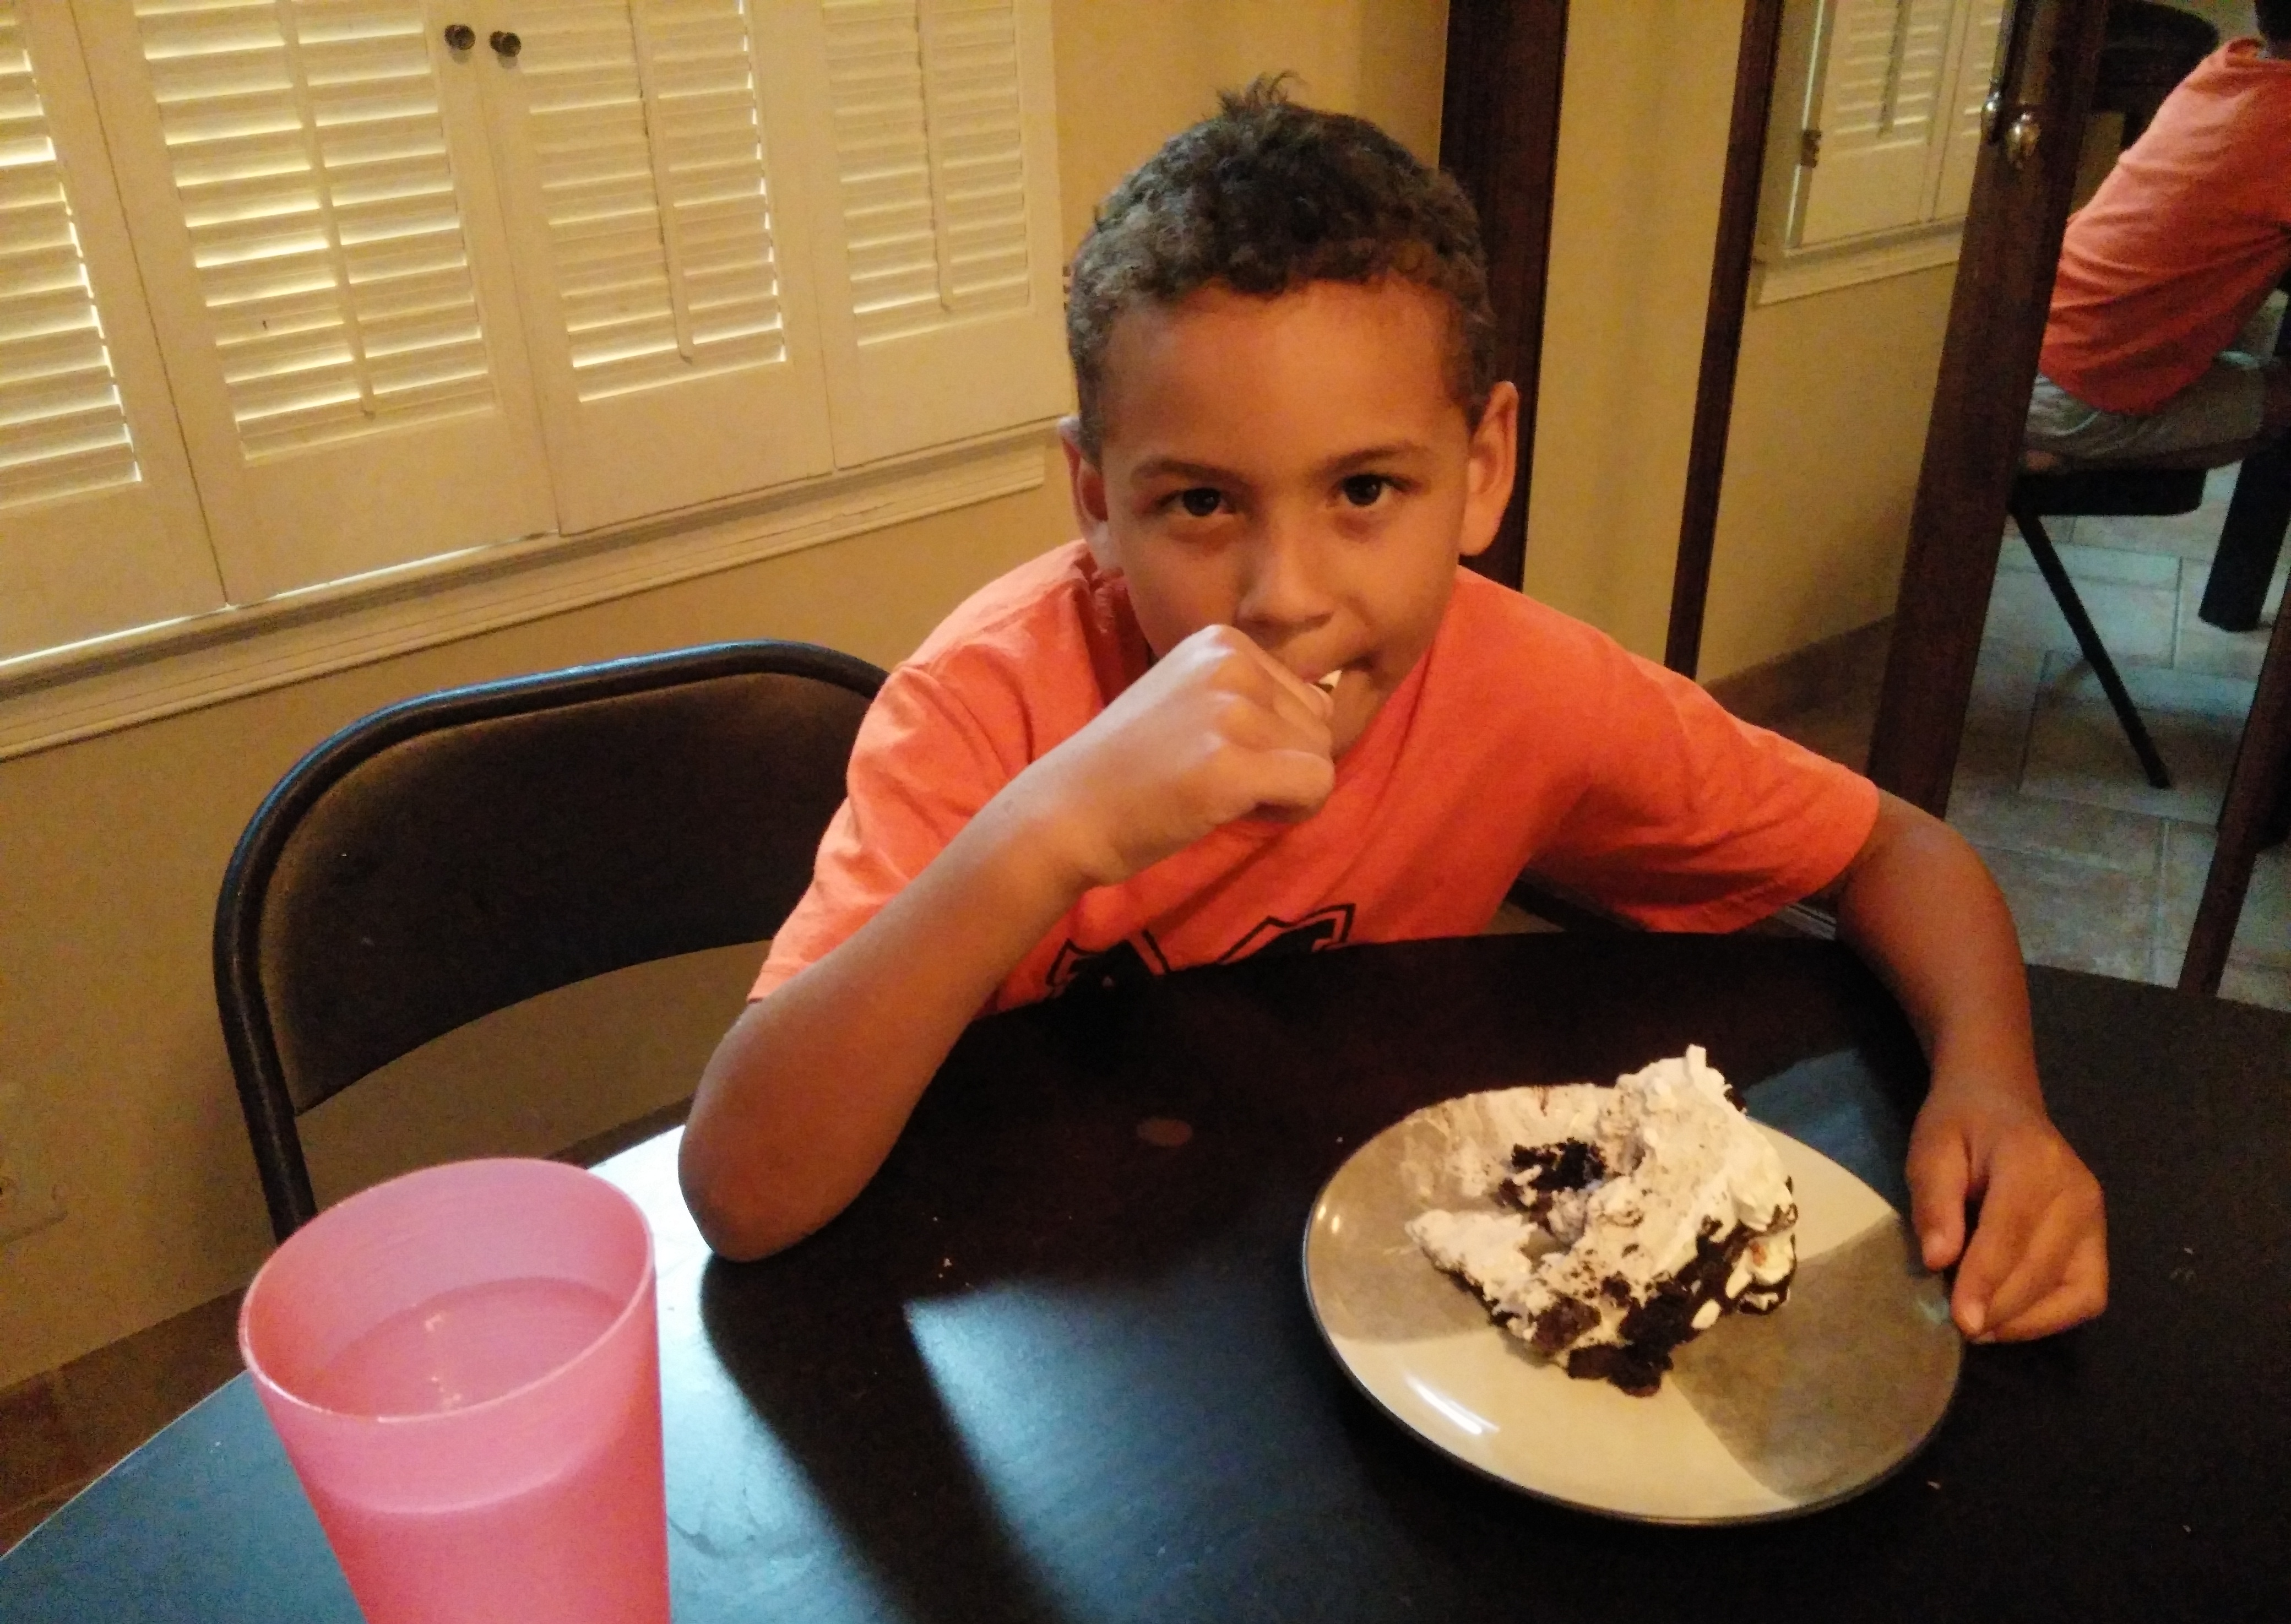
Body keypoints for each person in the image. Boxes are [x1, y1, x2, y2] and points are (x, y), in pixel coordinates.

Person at [684, 81, 2107, 1344]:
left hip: (1362, 1294)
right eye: (1200, 502)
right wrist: (1046, 831)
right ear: (1096, 500)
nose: (1286, 596)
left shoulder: (1523, 686)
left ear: (1482, 469)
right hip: (1041, 1315)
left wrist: (1994, 1089)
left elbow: (1898, 850)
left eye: (1364, 489)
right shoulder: (985, 704)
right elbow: (744, 1192)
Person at [2025, 3, 2291, 468]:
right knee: (2281, 402)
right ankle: (2065, 459)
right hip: (2077, 394)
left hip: (2030, 335)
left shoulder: (2231, 64)